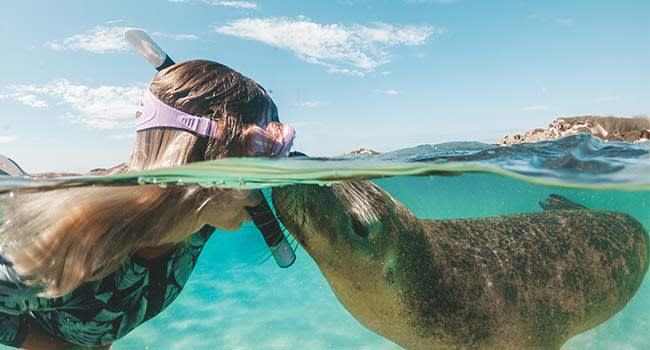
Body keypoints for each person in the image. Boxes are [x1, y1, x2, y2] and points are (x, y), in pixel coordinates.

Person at [0, 59, 294, 349]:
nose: (263, 187)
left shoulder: (203, 215)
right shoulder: (68, 245)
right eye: (257, 162)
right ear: (207, 164)